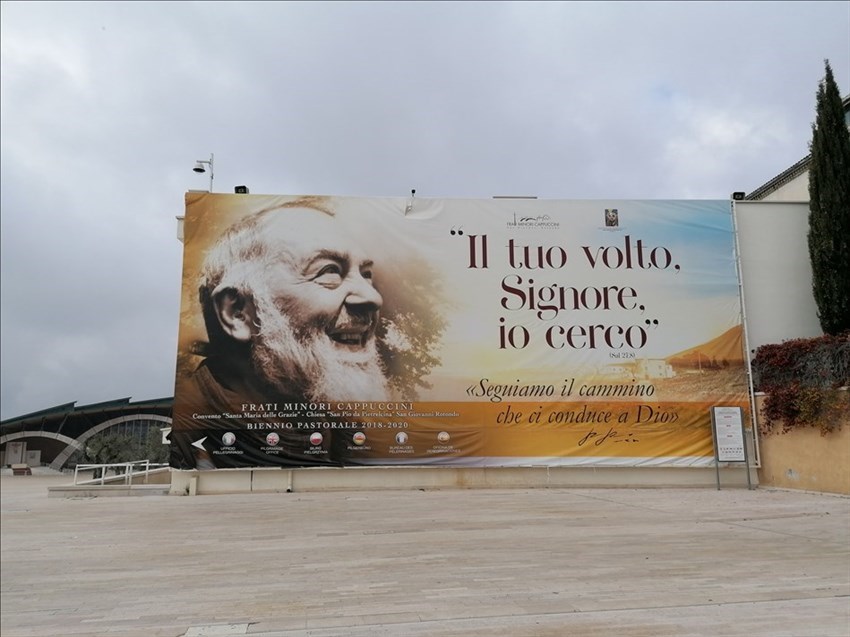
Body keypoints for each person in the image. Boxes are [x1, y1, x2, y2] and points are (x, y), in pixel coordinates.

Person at [190, 197, 392, 410]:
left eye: (366, 274)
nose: (373, 298)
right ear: (238, 312)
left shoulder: (345, 432)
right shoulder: (192, 427)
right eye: (329, 271)